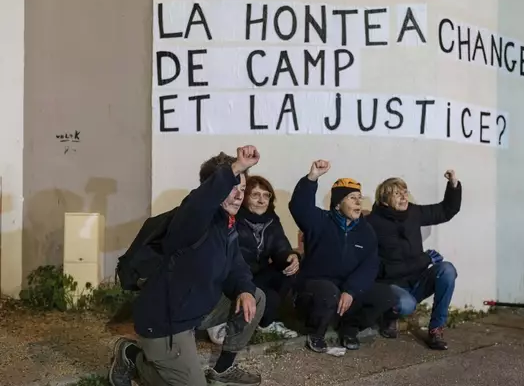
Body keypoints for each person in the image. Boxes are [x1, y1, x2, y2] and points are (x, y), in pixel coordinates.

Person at [108, 146, 265, 386]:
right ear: (213, 189)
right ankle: (134, 358)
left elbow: (237, 265)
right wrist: (235, 168)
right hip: (166, 322)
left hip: (197, 309)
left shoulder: (227, 225)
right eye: (232, 188)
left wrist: (244, 289)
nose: (238, 196)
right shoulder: (191, 219)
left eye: (242, 189)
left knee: (256, 296)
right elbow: (201, 202)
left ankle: (222, 370)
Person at [288, 160, 397, 353]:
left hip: (345, 288)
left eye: (359, 198)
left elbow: (370, 265)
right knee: (328, 291)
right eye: (352, 198)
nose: (358, 202)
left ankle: (349, 328)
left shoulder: (366, 230)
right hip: (315, 287)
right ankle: (316, 332)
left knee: (386, 295)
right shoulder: (320, 221)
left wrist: (352, 290)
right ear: (338, 205)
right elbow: (299, 206)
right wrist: (312, 178)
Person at [365, 170, 462, 351]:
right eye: (397, 194)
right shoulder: (372, 223)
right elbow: (382, 269)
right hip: (391, 285)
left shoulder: (413, 213)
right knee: (406, 304)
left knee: (447, 270)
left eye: (405, 192)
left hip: (417, 281)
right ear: (385, 200)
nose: (404, 197)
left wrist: (453, 185)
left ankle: (436, 329)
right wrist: (424, 259)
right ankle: (388, 316)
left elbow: (446, 210)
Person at [208, 175, 300, 343]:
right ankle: (228, 320)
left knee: (289, 272)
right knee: (270, 297)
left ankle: (263, 324)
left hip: (259, 274)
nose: (261, 200)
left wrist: (290, 256)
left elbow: (280, 247)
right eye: (256, 195)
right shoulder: (234, 217)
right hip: (235, 278)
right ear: (245, 197)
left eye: (266, 195)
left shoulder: (271, 219)